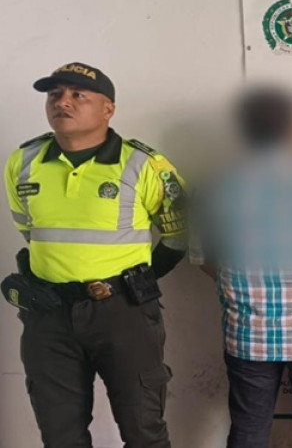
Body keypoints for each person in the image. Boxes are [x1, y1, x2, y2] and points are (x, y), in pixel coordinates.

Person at [2, 62, 187, 447]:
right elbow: (30, 231)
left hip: (124, 313)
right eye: (54, 94)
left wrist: (135, 282)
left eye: (77, 95)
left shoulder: (144, 164)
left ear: (108, 109)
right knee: (60, 436)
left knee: (143, 432)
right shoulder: (23, 162)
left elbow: (180, 234)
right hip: (48, 316)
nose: (62, 102)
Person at [188, 86, 292, 448]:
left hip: (248, 333)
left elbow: (203, 258)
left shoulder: (213, 186)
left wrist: (241, 290)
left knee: (248, 431)